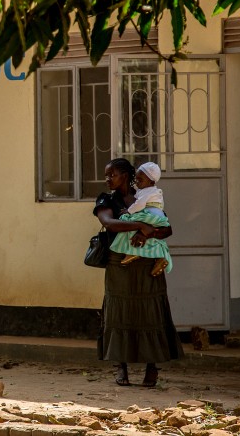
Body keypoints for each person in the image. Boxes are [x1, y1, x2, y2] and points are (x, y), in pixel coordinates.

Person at [94, 157, 183, 387]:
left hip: (147, 264)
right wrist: (140, 226)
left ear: (125, 175)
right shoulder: (107, 199)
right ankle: (121, 368)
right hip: (119, 263)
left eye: (112, 174)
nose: (108, 179)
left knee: (150, 313)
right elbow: (109, 223)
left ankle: (152, 369)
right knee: (119, 313)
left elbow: (167, 228)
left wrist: (147, 234)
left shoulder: (146, 193)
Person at [111, 162, 172, 277]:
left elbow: (139, 204)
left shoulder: (147, 192)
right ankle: (161, 258)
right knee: (151, 233)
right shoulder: (148, 190)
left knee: (127, 221)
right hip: (157, 214)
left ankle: (133, 251)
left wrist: (128, 211)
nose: (136, 182)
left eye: (140, 180)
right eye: (136, 180)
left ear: (151, 182)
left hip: (150, 212)